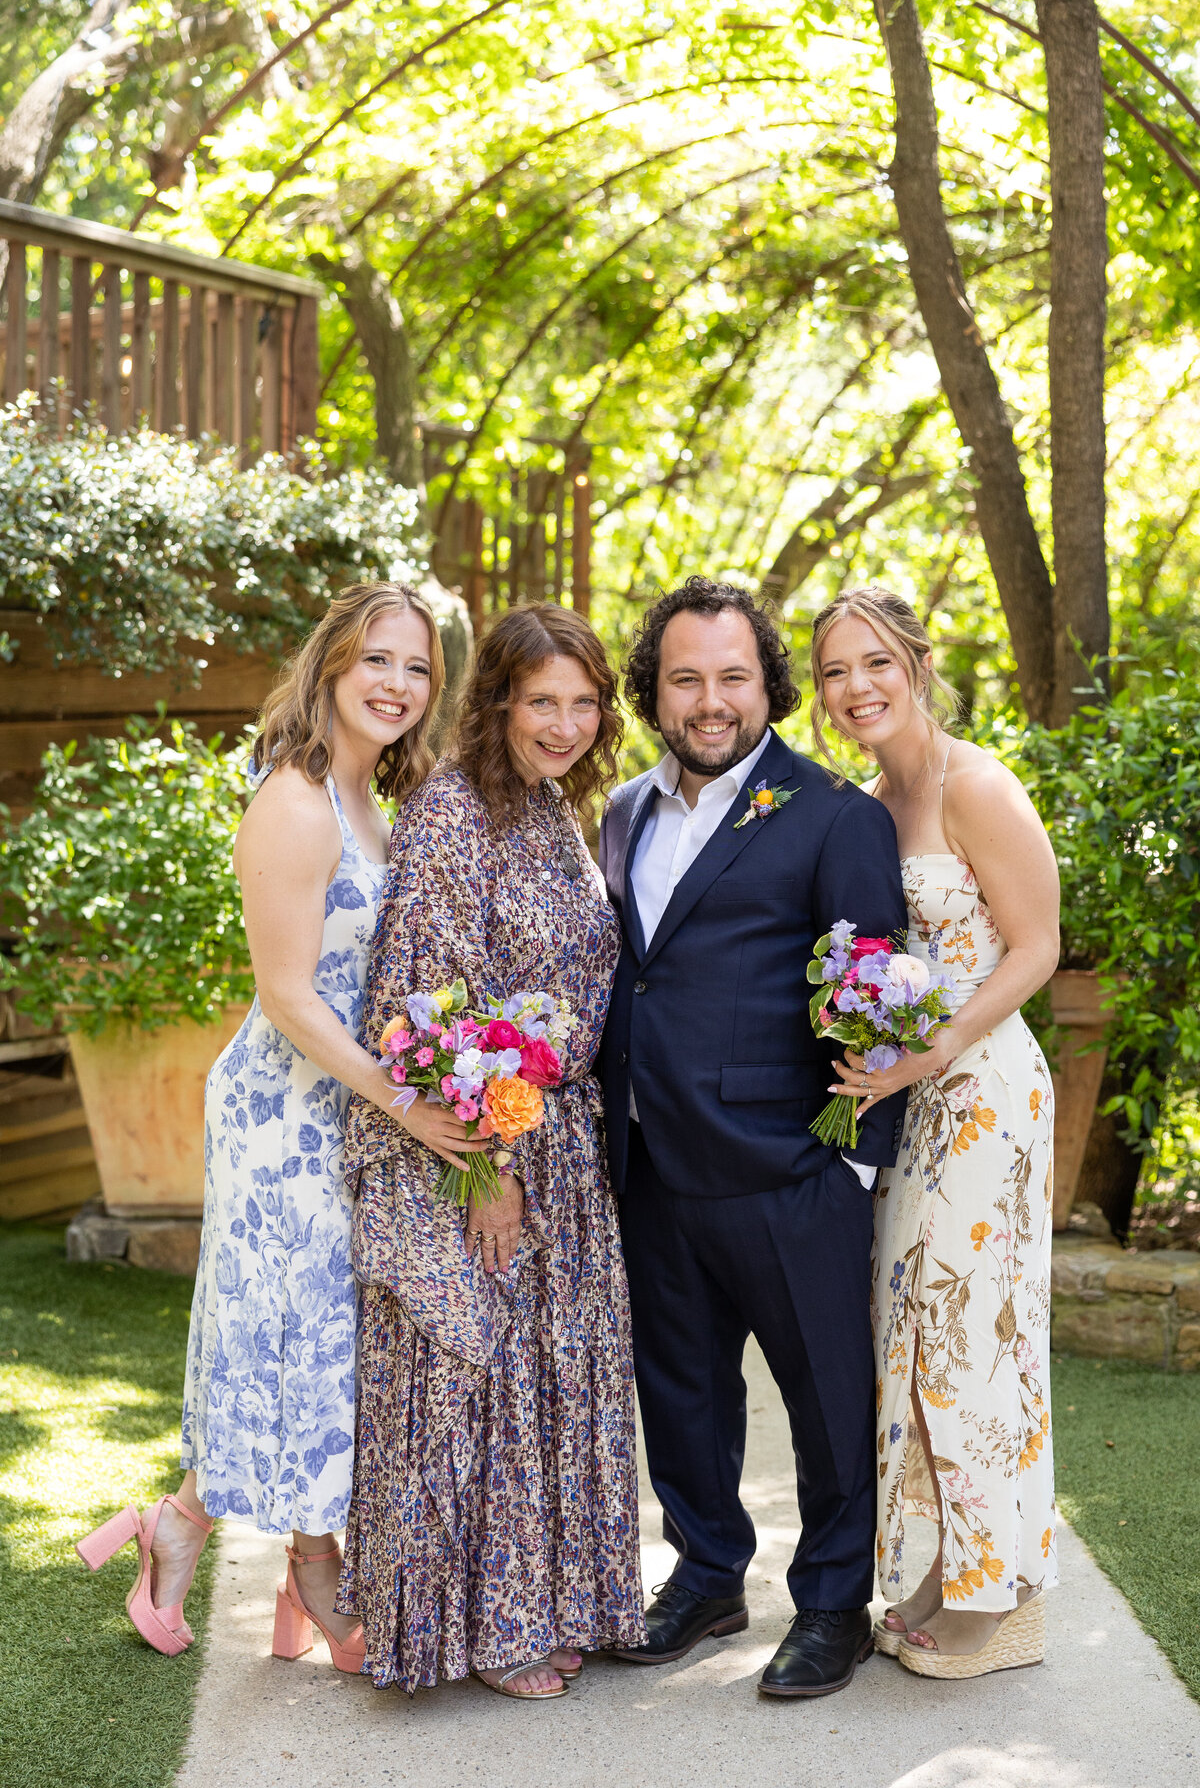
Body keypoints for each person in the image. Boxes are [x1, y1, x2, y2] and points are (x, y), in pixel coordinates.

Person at [77, 581, 475, 1669]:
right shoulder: (296, 800)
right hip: (285, 1112)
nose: (397, 685)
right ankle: (200, 1529)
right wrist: (411, 1106)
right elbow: (291, 997)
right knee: (281, 1332)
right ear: (332, 666)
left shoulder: (371, 795)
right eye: (378, 661)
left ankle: (302, 1560)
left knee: (330, 1338)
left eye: (417, 669)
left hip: (350, 1107)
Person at [598, 575, 907, 1700]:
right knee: (679, 1391)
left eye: (733, 676)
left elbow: (882, 998)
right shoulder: (623, 810)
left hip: (789, 1169)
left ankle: (832, 1605)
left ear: (767, 684)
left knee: (827, 1399)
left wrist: (853, 1163)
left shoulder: (835, 813)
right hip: (648, 1166)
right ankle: (707, 1575)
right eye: (686, 678)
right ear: (655, 689)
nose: (710, 699)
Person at [337, 603, 646, 1700]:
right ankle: (491, 1630)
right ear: (498, 703)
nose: (563, 724)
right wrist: (488, 1169)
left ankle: (555, 1603)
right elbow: (430, 1003)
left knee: (552, 1380)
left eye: (582, 702)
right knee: (483, 1382)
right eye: (540, 701)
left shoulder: (564, 809)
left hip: (563, 1143)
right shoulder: (450, 812)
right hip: (481, 1151)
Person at [813, 586, 1060, 1679]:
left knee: (979, 1335)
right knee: (910, 1329)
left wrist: (930, 1048)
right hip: (910, 1100)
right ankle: (948, 1566)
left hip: (987, 1089)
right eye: (833, 672)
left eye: (874, 662)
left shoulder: (978, 785)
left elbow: (1037, 946)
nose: (856, 686)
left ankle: (1005, 1597)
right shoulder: (867, 799)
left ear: (915, 662)